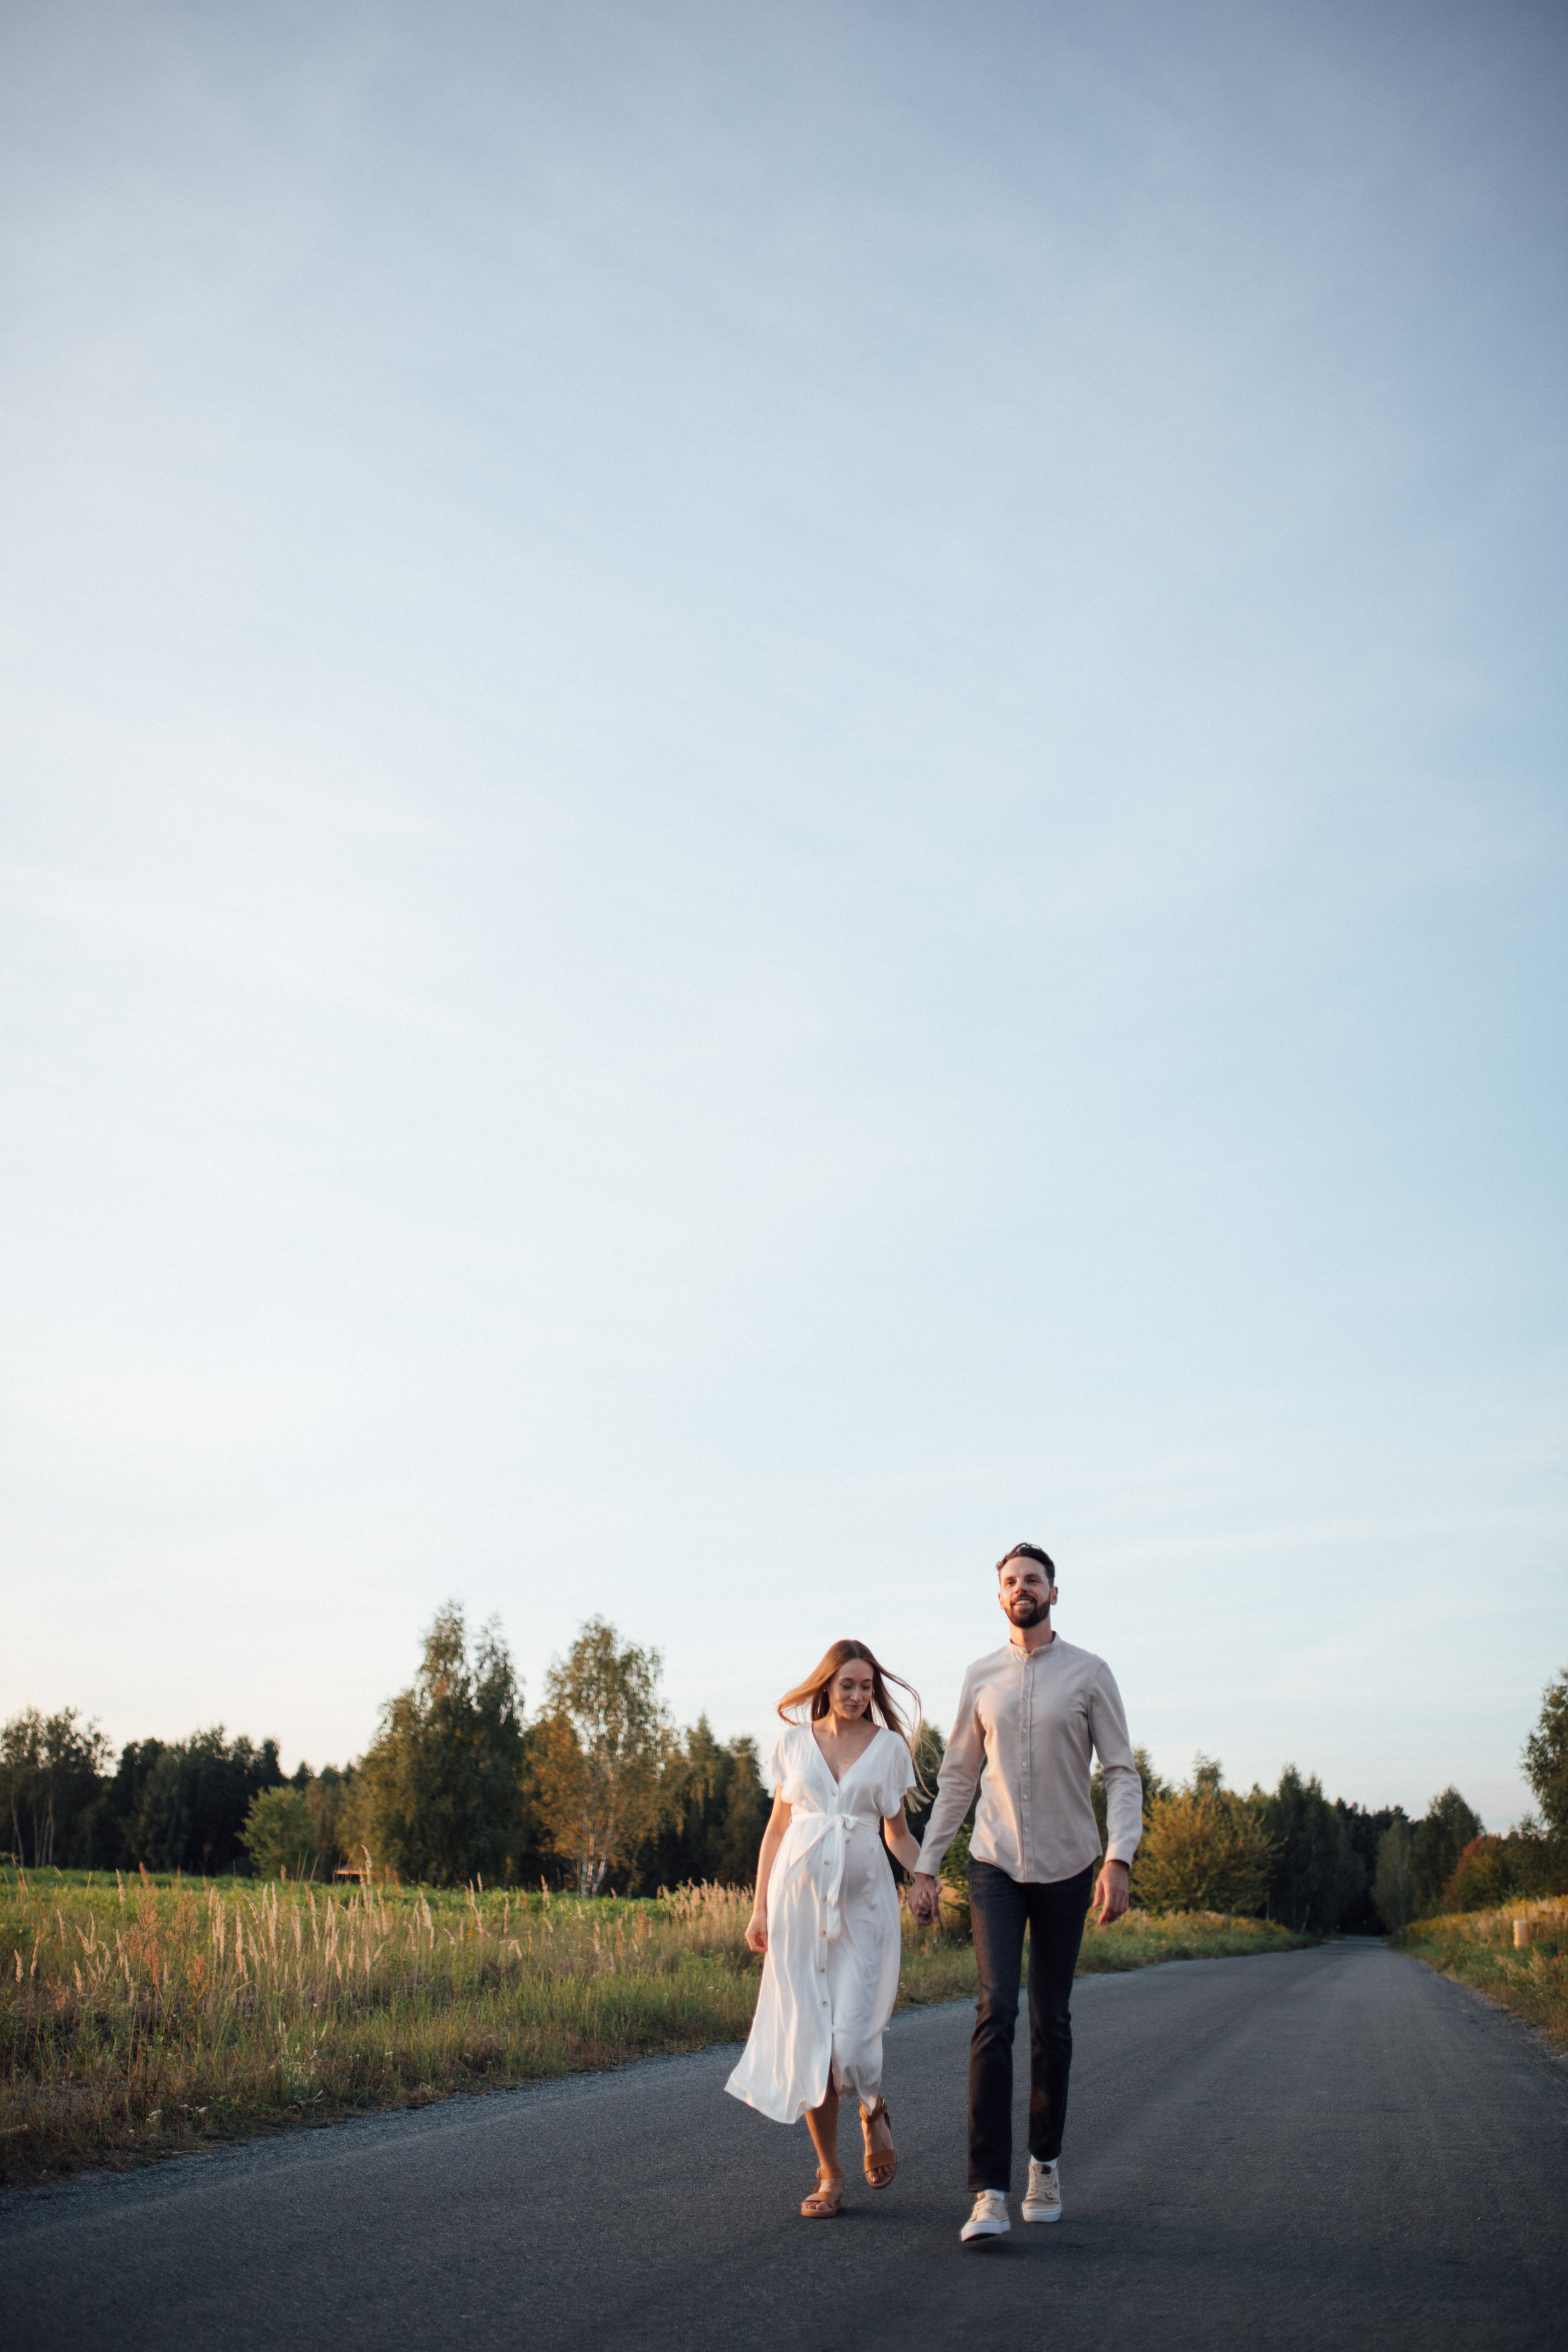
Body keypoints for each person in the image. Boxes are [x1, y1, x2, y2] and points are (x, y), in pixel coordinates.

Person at [908, 1542, 1142, 2243]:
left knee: (1051, 2020)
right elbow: (957, 1778)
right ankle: (987, 2191)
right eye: (1010, 1581)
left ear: (1053, 1593)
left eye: (1033, 1579)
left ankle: (1044, 2165)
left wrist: (1119, 1858)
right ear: (1000, 1595)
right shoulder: (980, 1677)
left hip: (1070, 1865)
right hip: (995, 1864)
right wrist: (926, 1866)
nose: (1021, 1588)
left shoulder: (1090, 1673)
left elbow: (1120, 1771)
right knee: (995, 2012)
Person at [725, 1639, 924, 2217]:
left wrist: (926, 1878)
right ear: (827, 1686)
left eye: (866, 1686)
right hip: (797, 1909)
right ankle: (830, 2173)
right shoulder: (793, 1744)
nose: (858, 1696)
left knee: (853, 2042)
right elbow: (776, 1830)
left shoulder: (889, 1748)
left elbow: (897, 1834)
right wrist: (759, 1908)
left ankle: (872, 2104)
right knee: (811, 2041)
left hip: (864, 1910)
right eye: (848, 1685)